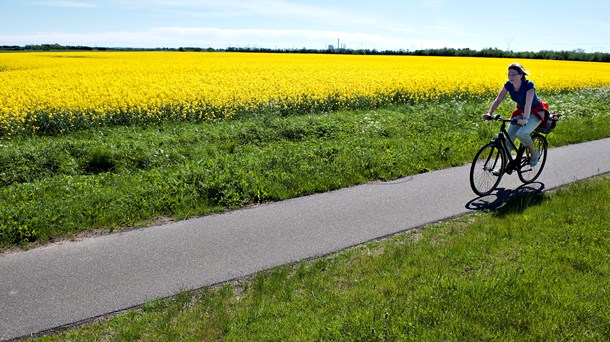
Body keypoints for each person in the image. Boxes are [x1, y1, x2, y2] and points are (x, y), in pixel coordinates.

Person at [483, 63, 548, 167]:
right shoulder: (508, 85)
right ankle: (503, 167)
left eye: (513, 74)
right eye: (509, 74)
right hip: (521, 113)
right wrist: (489, 113)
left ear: (521, 75)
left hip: (536, 113)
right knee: (507, 140)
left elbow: (528, 103)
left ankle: (533, 154)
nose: (511, 77)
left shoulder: (528, 85)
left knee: (522, 134)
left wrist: (525, 119)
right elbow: (498, 99)